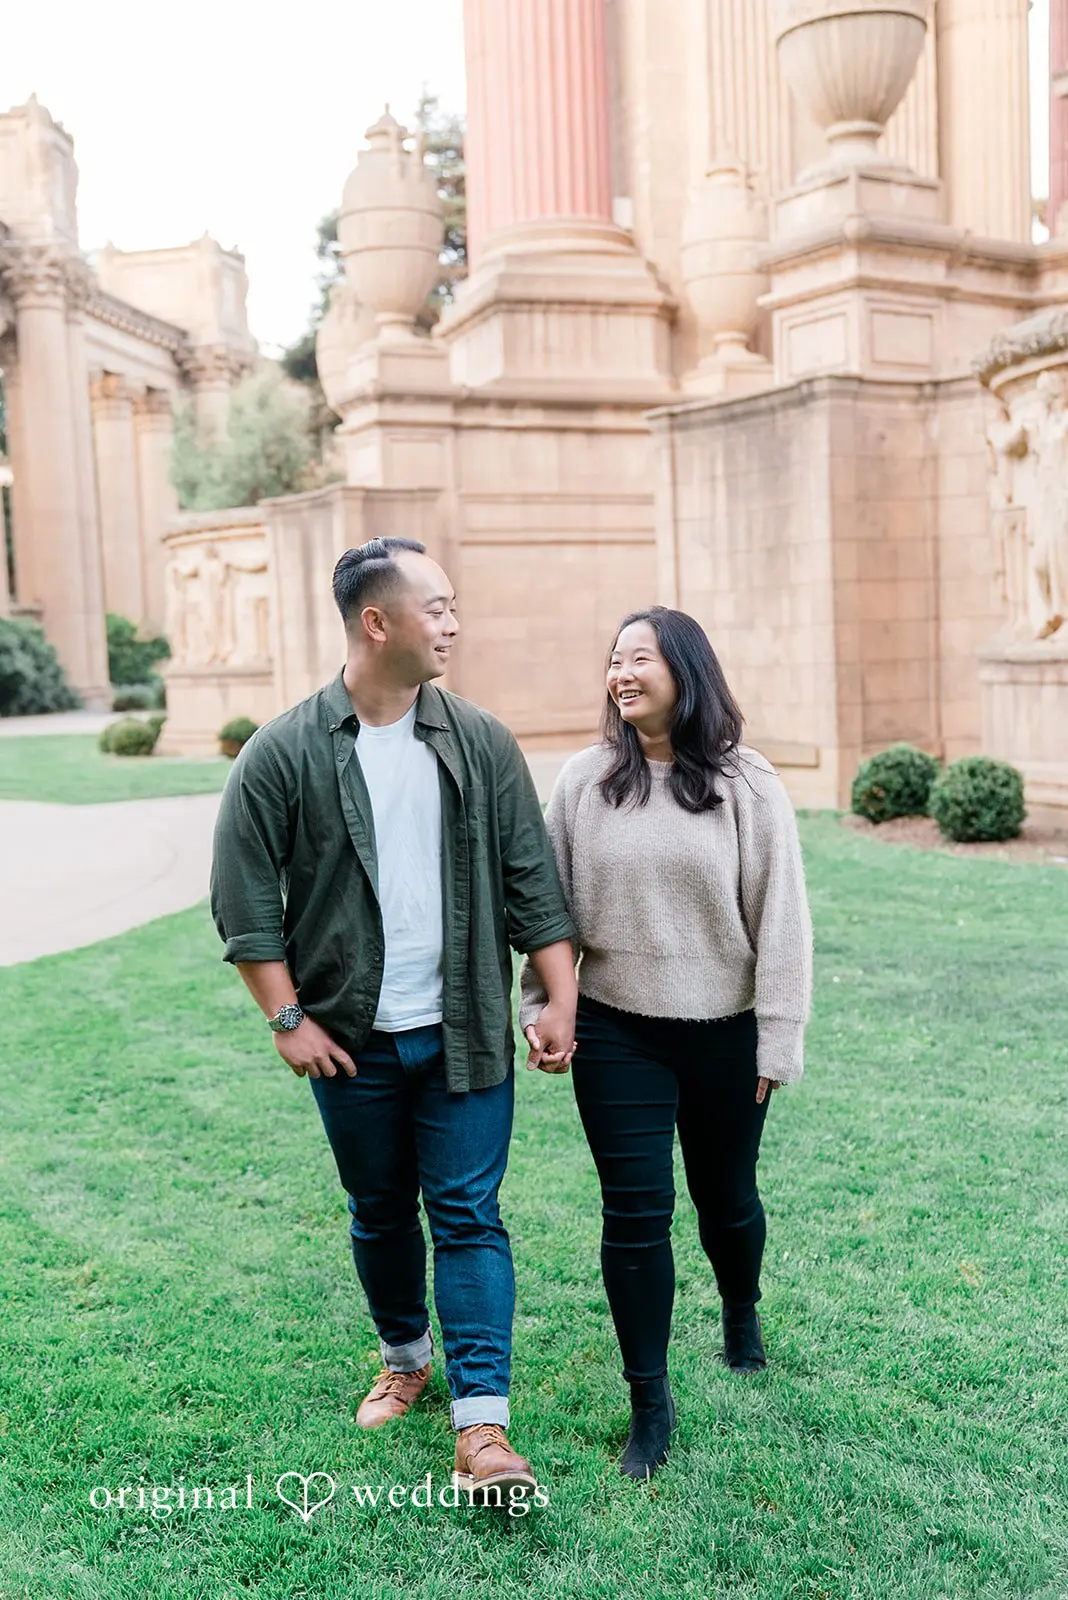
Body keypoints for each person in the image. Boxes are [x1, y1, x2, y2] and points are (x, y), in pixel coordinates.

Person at [210, 537, 578, 1503]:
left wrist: (557, 994)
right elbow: (244, 903)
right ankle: (407, 1355)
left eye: (455, 607)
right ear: (378, 623)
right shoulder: (282, 752)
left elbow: (529, 879)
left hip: (465, 1034)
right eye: (437, 608)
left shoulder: (483, 740)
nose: (453, 623)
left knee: (466, 1215)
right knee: (378, 1212)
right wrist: (286, 1018)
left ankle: (484, 1430)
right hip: (351, 1044)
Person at [520, 607, 812, 1482]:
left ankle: (741, 1308)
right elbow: (548, 910)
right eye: (613, 660)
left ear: (686, 671)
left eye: (639, 658)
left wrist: (776, 1041)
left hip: (724, 1033)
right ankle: (650, 1400)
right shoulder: (582, 780)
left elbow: (783, 919)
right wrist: (543, 1001)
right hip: (616, 1031)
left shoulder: (746, 784)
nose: (622, 673)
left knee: (726, 1201)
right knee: (636, 1214)